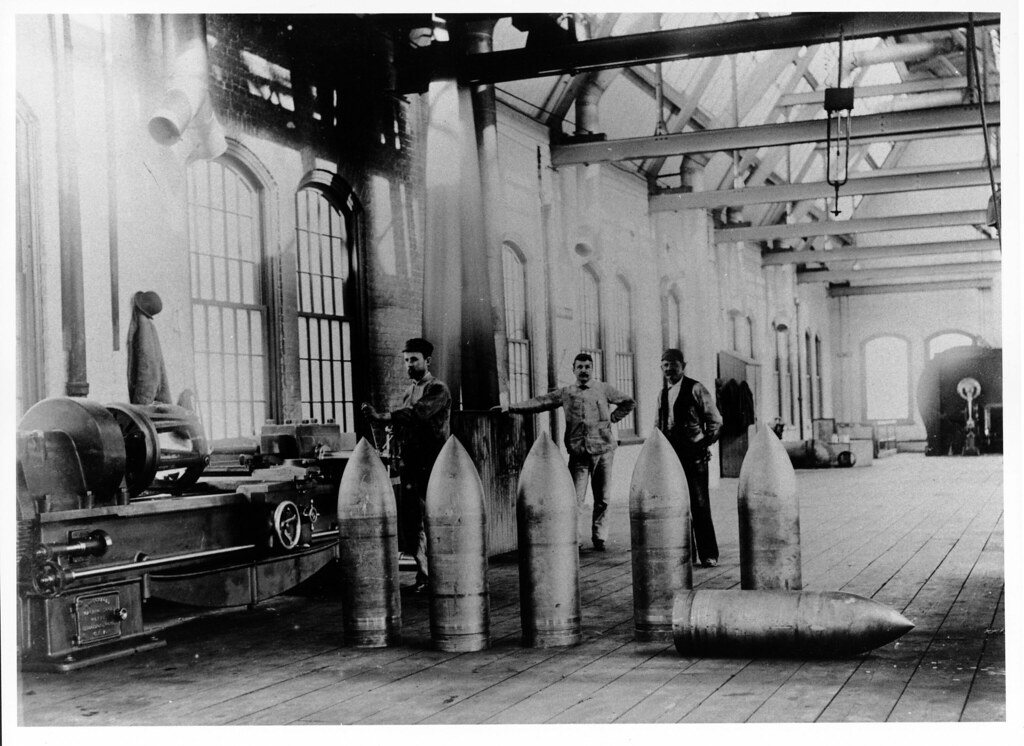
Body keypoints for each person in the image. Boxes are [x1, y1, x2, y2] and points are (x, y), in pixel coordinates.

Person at [496, 353, 635, 551]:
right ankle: (575, 541)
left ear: (592, 369)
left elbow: (629, 402)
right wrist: (510, 408)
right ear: (574, 370)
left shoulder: (603, 389)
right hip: (578, 453)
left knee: (602, 498)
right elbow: (540, 402)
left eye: (587, 366)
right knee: (574, 499)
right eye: (580, 367)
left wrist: (612, 418)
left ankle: (600, 538)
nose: (584, 370)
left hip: (603, 451)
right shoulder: (567, 392)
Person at [361, 338, 451, 594]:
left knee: (434, 519)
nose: (409, 365)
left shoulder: (438, 390)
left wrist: (383, 417)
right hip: (411, 464)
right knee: (413, 523)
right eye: (405, 360)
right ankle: (424, 575)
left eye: (414, 359)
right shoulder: (407, 393)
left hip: (433, 463)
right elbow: (402, 425)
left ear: (427, 361)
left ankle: (442, 575)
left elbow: (417, 413)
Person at [655, 348, 723, 568]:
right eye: (665, 365)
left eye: (673, 364)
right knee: (676, 505)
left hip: (694, 457)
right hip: (672, 459)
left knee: (700, 505)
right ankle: (685, 554)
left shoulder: (696, 388)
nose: (669, 369)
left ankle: (708, 554)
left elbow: (715, 420)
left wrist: (704, 444)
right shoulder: (662, 394)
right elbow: (657, 427)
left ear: (683, 366)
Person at [127, 290, 173, 405]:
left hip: (146, 398)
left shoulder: (144, 328)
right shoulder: (149, 326)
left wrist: (141, 401)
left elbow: (147, 365)